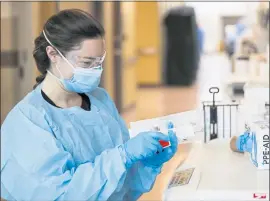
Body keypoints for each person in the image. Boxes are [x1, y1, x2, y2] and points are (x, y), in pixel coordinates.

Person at [1, 9, 178, 201]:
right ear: (53, 54)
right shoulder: (28, 121)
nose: (95, 71)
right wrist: (122, 156)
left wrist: (147, 164)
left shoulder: (99, 100)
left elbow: (121, 182)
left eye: (98, 62)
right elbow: (58, 194)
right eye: (86, 63)